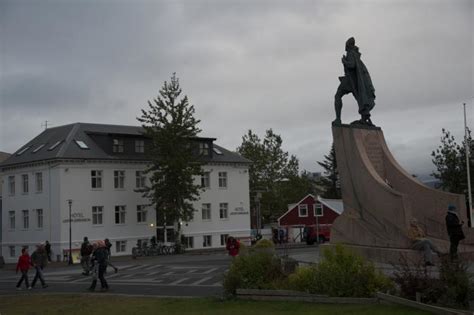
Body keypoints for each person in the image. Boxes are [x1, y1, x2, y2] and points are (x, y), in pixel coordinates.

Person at [333, 37, 376, 126]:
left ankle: (338, 119)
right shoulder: (355, 54)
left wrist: (344, 61)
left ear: (348, 46)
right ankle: (364, 118)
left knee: (338, 96)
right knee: (358, 98)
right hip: (354, 81)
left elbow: (352, 65)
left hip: (350, 80)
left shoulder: (350, 53)